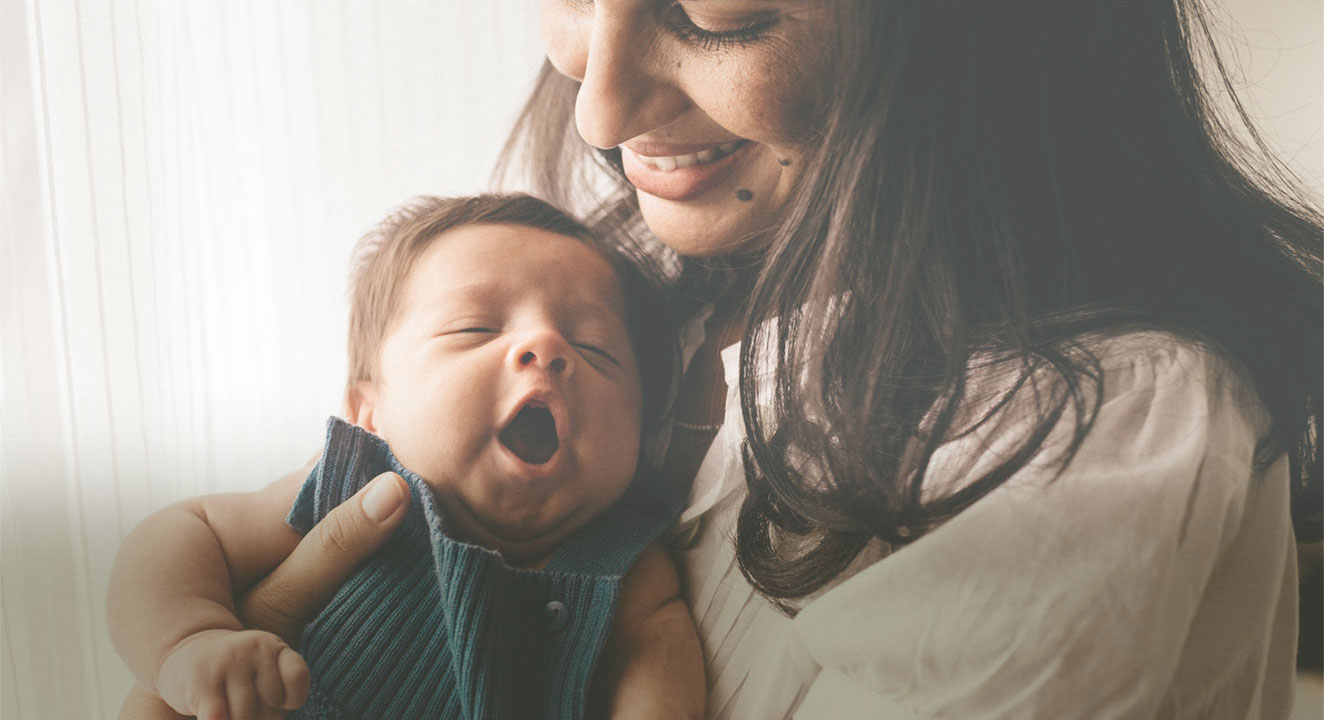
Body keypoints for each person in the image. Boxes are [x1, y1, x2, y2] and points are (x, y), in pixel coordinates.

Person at [122, 1, 1323, 718]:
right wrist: (186, 655)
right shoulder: (659, 296)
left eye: (715, 8)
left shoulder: (1086, 423)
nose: (596, 111)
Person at [108, 195, 705, 720]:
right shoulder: (350, 489)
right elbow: (184, 532)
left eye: (594, 347)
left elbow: (659, 677)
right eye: (474, 329)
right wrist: (192, 642)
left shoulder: (626, 565)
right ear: (370, 412)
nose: (545, 346)